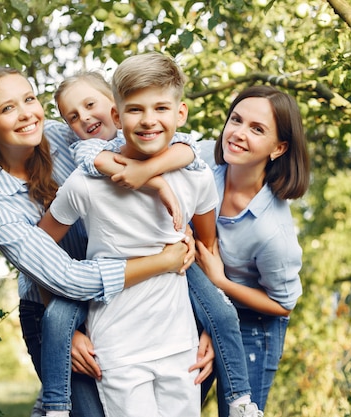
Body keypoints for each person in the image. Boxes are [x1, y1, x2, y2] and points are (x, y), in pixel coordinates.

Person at [0, 66, 200, 417]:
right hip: (52, 306)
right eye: (8, 108)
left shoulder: (63, 136)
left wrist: (180, 224)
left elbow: (139, 158)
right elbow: (65, 278)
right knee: (91, 411)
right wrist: (165, 260)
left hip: (129, 295)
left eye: (29, 99)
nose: (27, 113)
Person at [61, 72, 264, 417]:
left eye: (89, 104)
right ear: (119, 114)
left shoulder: (188, 162)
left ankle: (240, 400)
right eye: (73, 116)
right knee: (57, 319)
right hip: (114, 322)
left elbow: (187, 158)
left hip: (175, 322)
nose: (84, 118)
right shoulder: (86, 159)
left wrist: (207, 324)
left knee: (221, 313)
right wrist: (154, 182)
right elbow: (103, 166)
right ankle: (54, 406)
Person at [39, 51, 220, 417]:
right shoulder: (85, 183)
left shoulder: (196, 175)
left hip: (180, 345)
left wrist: (210, 326)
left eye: (161, 109)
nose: (149, 120)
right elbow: (40, 250)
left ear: (180, 113)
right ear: (118, 117)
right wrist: (62, 323)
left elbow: (208, 246)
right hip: (118, 347)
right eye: (136, 110)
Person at [194, 85, 311, 415]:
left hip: (255, 324)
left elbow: (283, 305)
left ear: (279, 147)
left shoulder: (272, 231)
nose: (238, 134)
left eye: (256, 129)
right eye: (236, 120)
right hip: (208, 308)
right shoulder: (203, 164)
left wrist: (222, 281)